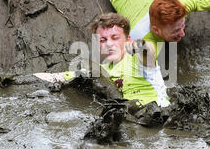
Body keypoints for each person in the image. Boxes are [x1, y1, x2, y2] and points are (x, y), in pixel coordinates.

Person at [34, 13, 170, 107]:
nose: (109, 44)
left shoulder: (136, 59)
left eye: (115, 37)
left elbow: (149, 53)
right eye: (103, 40)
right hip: (132, 118)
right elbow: (58, 77)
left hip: (159, 113)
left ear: (128, 39)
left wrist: (140, 46)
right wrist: (26, 78)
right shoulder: (100, 70)